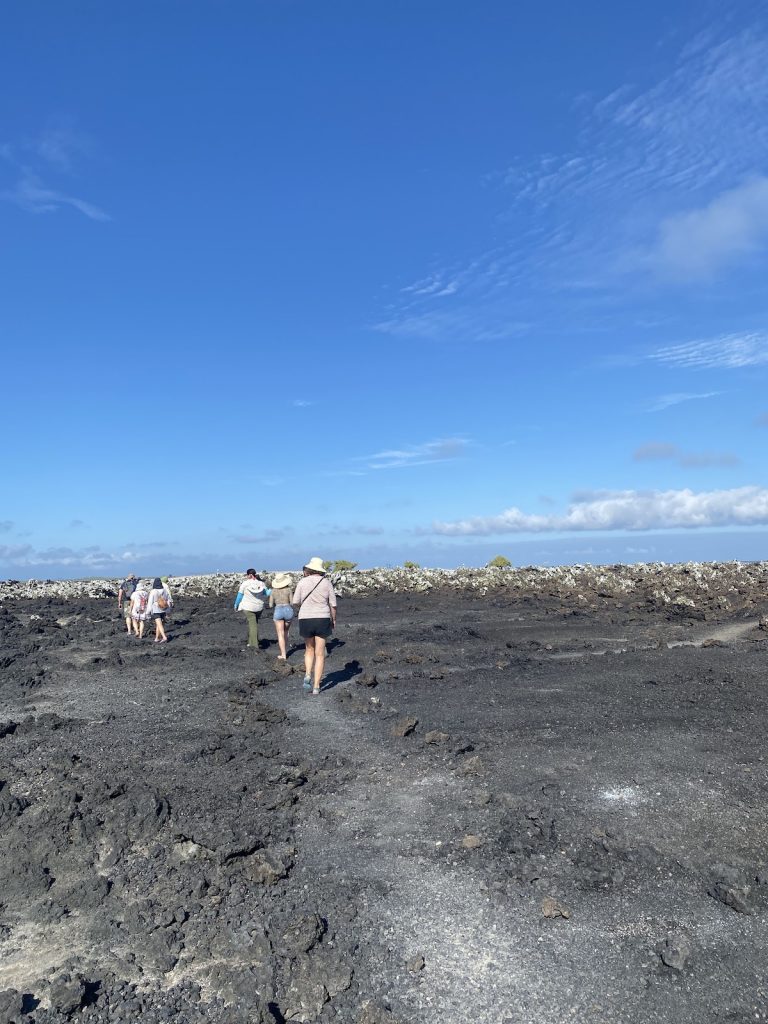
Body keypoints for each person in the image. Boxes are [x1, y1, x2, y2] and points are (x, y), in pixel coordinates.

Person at [292, 557, 337, 695]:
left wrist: (305, 606)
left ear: (310, 568)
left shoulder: (302, 582)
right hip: (322, 618)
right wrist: (333, 619)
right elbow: (333, 604)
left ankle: (307, 674)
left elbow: (295, 601)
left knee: (309, 649)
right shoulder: (326, 583)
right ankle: (317, 686)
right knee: (320, 653)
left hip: (305, 618)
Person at [235, 569, 270, 650]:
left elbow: (240, 596)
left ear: (248, 575)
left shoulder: (245, 583)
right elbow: (267, 593)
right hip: (259, 607)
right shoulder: (261, 583)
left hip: (248, 607)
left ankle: (254, 645)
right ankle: (250, 642)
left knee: (252, 624)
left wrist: (236, 605)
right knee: (254, 623)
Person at [269, 572, 294, 660]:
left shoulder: (273, 591)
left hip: (278, 610)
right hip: (288, 610)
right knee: (286, 631)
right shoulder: (289, 590)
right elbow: (292, 602)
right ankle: (285, 650)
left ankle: (283, 654)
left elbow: (271, 605)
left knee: (280, 634)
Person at [146, 577, 173, 643]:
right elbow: (168, 600)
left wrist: (148, 612)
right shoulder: (165, 590)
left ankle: (164, 637)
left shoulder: (153, 591)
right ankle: (157, 638)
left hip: (156, 609)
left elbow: (150, 602)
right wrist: (168, 611)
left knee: (159, 624)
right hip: (163, 609)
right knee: (159, 624)